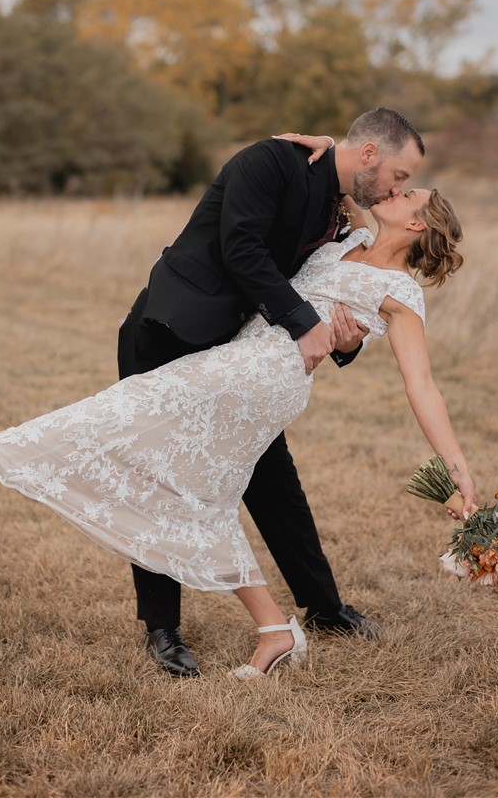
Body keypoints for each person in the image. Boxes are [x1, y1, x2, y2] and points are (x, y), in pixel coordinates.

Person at [0, 185, 474, 679]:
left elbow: (421, 386)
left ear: (417, 223)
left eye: (407, 194)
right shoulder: (345, 240)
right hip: (240, 357)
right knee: (202, 496)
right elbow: (339, 170)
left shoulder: (402, 294)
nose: (394, 192)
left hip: (263, 376)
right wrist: (307, 142)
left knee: (130, 406)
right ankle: (275, 630)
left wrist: (457, 468)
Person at [116, 107, 424, 676]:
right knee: (160, 477)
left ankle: (325, 609)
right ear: (370, 155)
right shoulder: (270, 161)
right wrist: (306, 325)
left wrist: (344, 341)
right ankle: (162, 628)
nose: (396, 189)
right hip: (168, 330)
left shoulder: (340, 215)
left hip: (237, 355)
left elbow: (318, 288)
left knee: (273, 475)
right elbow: (242, 249)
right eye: (399, 176)